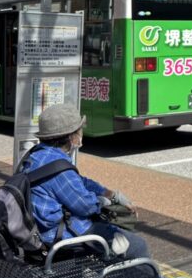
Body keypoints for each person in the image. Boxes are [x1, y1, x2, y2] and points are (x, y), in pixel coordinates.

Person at [22, 104, 148, 260]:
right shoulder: (59, 168)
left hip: (39, 229)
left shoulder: (37, 155)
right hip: (58, 236)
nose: (81, 133)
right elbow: (86, 207)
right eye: (79, 130)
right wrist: (102, 202)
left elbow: (80, 181)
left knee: (117, 235)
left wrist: (110, 194)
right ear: (70, 136)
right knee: (137, 245)